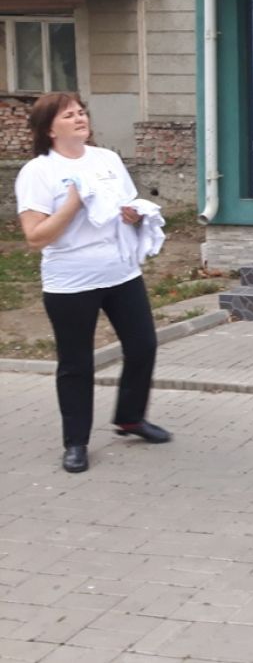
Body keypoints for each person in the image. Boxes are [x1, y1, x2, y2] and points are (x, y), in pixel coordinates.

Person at [15, 93, 171, 475]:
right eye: (69, 115)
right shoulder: (38, 172)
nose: (80, 118)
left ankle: (130, 418)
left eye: (81, 112)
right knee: (76, 363)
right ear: (50, 129)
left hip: (120, 273)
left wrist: (134, 215)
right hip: (71, 281)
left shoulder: (107, 160)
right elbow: (35, 237)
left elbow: (125, 206)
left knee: (143, 346)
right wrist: (73, 202)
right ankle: (76, 443)